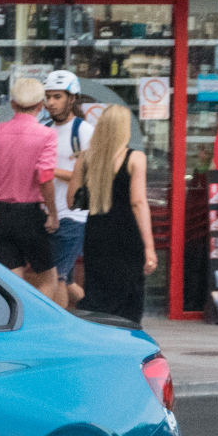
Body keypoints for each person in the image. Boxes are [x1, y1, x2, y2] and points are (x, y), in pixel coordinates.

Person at [0, 73, 62, 297]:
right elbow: (45, 177)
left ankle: (18, 324)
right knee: (48, 279)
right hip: (30, 216)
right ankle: (37, 325)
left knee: (12, 285)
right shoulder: (46, 135)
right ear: (41, 105)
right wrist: (53, 214)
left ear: (13, 103)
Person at [72, 104, 155, 323]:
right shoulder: (136, 158)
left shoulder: (85, 158)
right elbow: (138, 203)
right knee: (129, 296)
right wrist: (149, 247)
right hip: (127, 235)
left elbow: (71, 200)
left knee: (98, 292)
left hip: (96, 234)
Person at [40, 70, 89, 309]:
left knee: (56, 277)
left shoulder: (84, 131)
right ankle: (102, 314)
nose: (51, 102)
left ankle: (60, 332)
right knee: (66, 279)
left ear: (72, 98)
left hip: (72, 216)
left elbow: (88, 177)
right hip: (47, 213)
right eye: (48, 96)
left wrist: (49, 171)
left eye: (57, 96)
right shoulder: (44, 127)